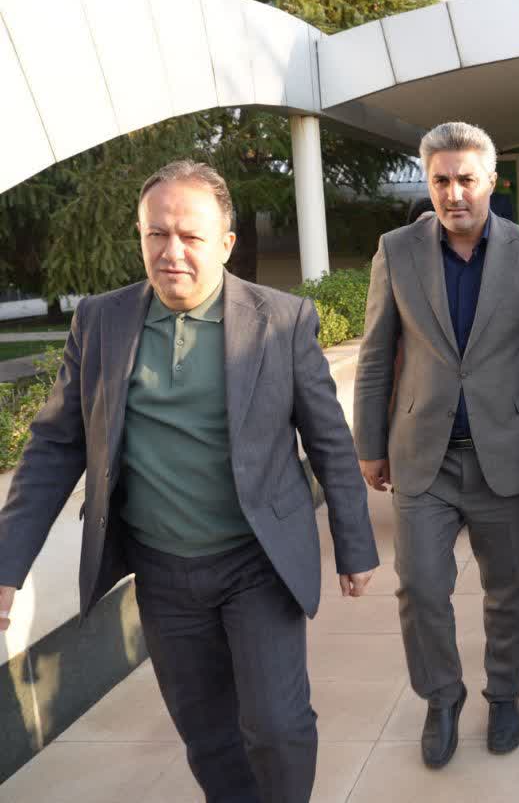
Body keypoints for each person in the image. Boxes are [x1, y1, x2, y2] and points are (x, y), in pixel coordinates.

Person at [0, 160, 378, 803]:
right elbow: (55, 447)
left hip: (256, 562)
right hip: (162, 571)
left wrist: (355, 543)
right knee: (207, 734)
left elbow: (330, 442)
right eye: (157, 234)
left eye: (190, 236)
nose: (171, 251)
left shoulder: (281, 320)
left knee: (277, 727)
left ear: (225, 244)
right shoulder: (101, 321)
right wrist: (9, 562)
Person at [353, 122, 519, 770]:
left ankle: (504, 695)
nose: (453, 193)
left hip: (505, 452)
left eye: (466, 179)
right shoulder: (396, 250)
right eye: (440, 180)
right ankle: (441, 698)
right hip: (424, 455)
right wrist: (369, 443)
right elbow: (375, 354)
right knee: (420, 587)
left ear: (491, 182)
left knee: (509, 590)